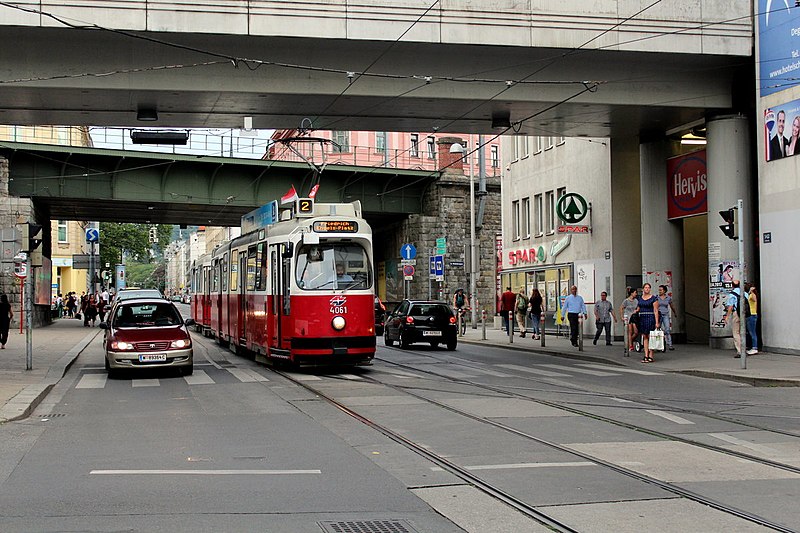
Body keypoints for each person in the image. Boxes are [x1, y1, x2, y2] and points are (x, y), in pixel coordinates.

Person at [636, 283, 660, 363]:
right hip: (642, 317)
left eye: (648, 288)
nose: (647, 289)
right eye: (645, 288)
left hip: (650, 317)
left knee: (651, 337)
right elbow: (638, 307)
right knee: (644, 336)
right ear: (643, 289)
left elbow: (656, 310)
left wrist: (657, 322)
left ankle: (651, 355)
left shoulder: (653, 298)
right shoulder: (640, 298)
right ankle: (646, 355)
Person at [724, 280, 743, 357]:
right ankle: (746, 348)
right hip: (745, 314)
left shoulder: (732, 294)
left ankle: (740, 351)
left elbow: (731, 306)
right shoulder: (744, 293)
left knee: (736, 332)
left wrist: (727, 316)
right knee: (744, 332)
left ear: (732, 286)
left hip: (736, 314)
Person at [657, 285, 677, 351]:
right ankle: (658, 344)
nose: (659, 291)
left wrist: (675, 313)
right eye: (659, 290)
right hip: (659, 315)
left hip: (665, 314)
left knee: (667, 329)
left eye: (661, 290)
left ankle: (670, 344)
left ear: (664, 291)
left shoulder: (668, 298)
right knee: (658, 329)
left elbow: (672, 306)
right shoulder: (656, 298)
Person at [620, 287, 639, 352]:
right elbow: (621, 308)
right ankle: (631, 346)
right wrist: (622, 316)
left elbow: (638, 307)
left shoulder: (636, 301)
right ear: (631, 293)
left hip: (634, 317)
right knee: (630, 331)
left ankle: (630, 340)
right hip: (628, 317)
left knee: (636, 332)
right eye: (635, 293)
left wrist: (636, 310)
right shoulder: (626, 301)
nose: (636, 294)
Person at [744, 283, 759, 355]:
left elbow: (755, 300)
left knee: (752, 332)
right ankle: (752, 346)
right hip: (750, 314)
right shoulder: (749, 295)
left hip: (752, 314)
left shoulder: (752, 295)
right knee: (750, 332)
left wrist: (751, 291)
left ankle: (755, 347)